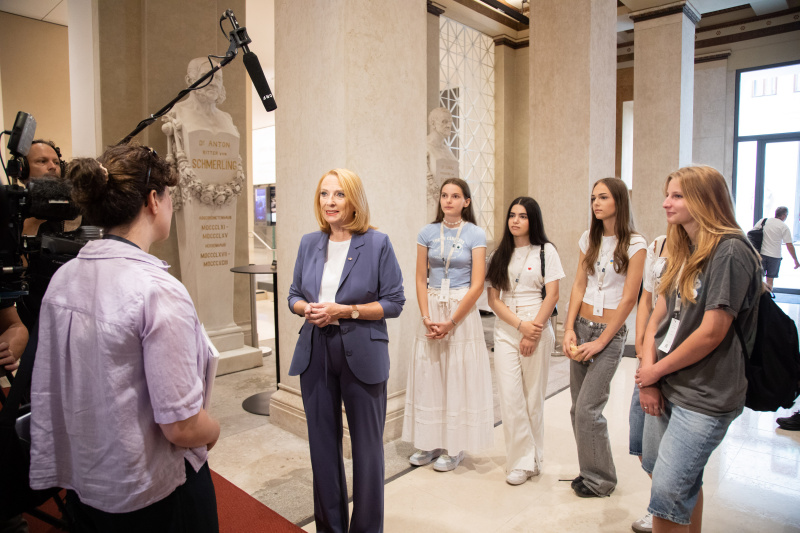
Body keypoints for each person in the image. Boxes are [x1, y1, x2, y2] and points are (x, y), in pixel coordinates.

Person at [29, 144, 221, 532]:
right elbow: (182, 426)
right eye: (170, 197)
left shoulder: (64, 278)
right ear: (154, 200)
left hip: (89, 485)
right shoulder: (156, 290)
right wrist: (214, 429)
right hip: (153, 494)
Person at [636, 165, 762, 533]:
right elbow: (660, 313)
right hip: (668, 380)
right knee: (676, 483)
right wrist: (649, 374)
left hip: (706, 392)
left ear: (705, 201)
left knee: (668, 493)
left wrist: (654, 372)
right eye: (667, 194)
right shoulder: (683, 246)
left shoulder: (731, 250)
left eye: (677, 196)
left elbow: (712, 332)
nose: (665, 203)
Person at [287, 168, 405, 533]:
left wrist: (345, 311)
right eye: (324, 194)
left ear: (354, 200)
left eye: (338, 195)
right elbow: (293, 294)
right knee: (322, 448)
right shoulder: (309, 242)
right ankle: (330, 528)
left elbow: (395, 302)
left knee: (368, 451)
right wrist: (306, 309)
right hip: (316, 350)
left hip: (362, 352)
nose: (330, 202)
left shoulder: (377, 243)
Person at [561, 177, 646, 498]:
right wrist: (568, 328)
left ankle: (601, 480)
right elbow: (579, 285)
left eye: (603, 197)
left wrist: (601, 341)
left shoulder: (636, 244)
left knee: (588, 410)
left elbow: (628, 299)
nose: (596, 203)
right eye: (593, 197)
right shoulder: (589, 239)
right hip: (582, 325)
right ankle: (590, 471)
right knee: (576, 409)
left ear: (619, 202)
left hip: (609, 334)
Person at [402, 177, 493, 473]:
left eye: (455, 196)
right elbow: (419, 278)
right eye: (444, 195)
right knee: (431, 374)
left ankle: (454, 447)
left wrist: (452, 322)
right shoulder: (426, 232)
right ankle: (429, 441)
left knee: (456, 374)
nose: (448, 200)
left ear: (466, 201)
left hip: (460, 312)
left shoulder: (476, 234)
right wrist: (427, 316)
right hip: (431, 308)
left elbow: (478, 284)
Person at [486, 197, 563, 485]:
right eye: (512, 215)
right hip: (507, 328)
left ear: (533, 220)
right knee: (510, 397)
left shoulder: (546, 251)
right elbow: (493, 299)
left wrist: (535, 329)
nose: (516, 220)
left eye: (523, 216)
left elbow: (553, 294)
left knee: (532, 398)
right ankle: (520, 461)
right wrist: (520, 327)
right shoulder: (499, 254)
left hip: (538, 324)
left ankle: (534, 458)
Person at [629, 233, 668, 533]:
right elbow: (647, 300)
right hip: (649, 356)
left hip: (672, 357)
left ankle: (662, 510)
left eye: (677, 196)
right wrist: (642, 351)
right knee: (642, 442)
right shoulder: (658, 243)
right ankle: (660, 506)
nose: (668, 203)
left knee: (664, 451)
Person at [752, 206, 799, 291]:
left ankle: (757, 300)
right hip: (774, 257)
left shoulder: (764, 221)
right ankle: (767, 300)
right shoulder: (783, 227)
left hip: (761, 255)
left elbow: (752, 233)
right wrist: (795, 260)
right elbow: (789, 245)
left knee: (758, 279)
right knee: (770, 280)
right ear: (784, 215)